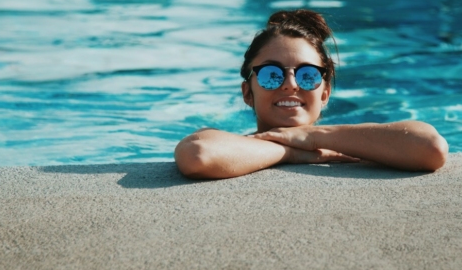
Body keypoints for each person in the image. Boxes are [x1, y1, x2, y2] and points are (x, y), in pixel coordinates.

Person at [175, 10, 448, 179]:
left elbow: (430, 148)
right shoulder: (230, 145)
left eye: (308, 75)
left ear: (325, 93)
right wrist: (291, 152)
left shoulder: (361, 142)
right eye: (272, 74)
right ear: (248, 92)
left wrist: (313, 136)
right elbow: (198, 154)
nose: (291, 84)